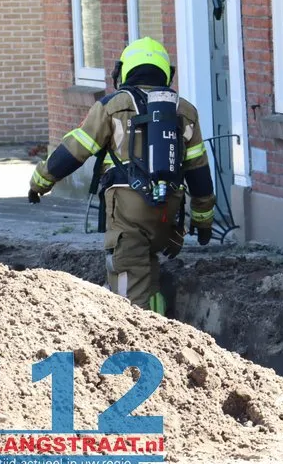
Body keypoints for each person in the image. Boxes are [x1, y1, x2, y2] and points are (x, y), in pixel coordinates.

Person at [27, 37, 216, 314]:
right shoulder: (185, 111)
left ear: (124, 71)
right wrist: (203, 220)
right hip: (169, 215)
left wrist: (40, 181)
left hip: (129, 213)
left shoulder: (113, 106)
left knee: (128, 291)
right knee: (149, 272)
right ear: (166, 72)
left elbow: (74, 150)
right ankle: (161, 327)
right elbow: (198, 171)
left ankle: (138, 348)